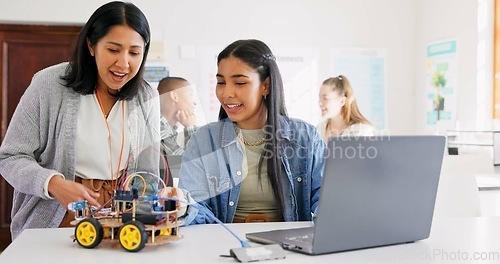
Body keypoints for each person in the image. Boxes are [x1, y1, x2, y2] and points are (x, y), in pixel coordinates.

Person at [0, 1, 160, 240]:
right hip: (60, 211)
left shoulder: (146, 96)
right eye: (113, 50)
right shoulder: (49, 84)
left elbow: (148, 175)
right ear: (91, 46)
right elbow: (10, 157)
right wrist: (52, 183)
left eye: (134, 53)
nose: (123, 63)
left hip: (123, 219)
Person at [176, 39, 326, 225]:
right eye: (221, 82)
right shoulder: (204, 141)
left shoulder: (306, 137)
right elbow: (197, 208)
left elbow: (327, 200)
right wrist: (182, 207)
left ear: (266, 86)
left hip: (289, 246)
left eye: (239, 83)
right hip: (223, 244)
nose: (226, 93)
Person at [317, 75, 375, 141]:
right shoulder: (319, 130)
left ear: (342, 101)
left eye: (325, 98)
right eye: (320, 98)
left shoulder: (362, 131)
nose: (320, 103)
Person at [157, 77, 198, 155]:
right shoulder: (159, 130)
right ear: (174, 97)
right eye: (191, 95)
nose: (195, 102)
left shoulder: (166, 128)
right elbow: (191, 162)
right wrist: (190, 127)